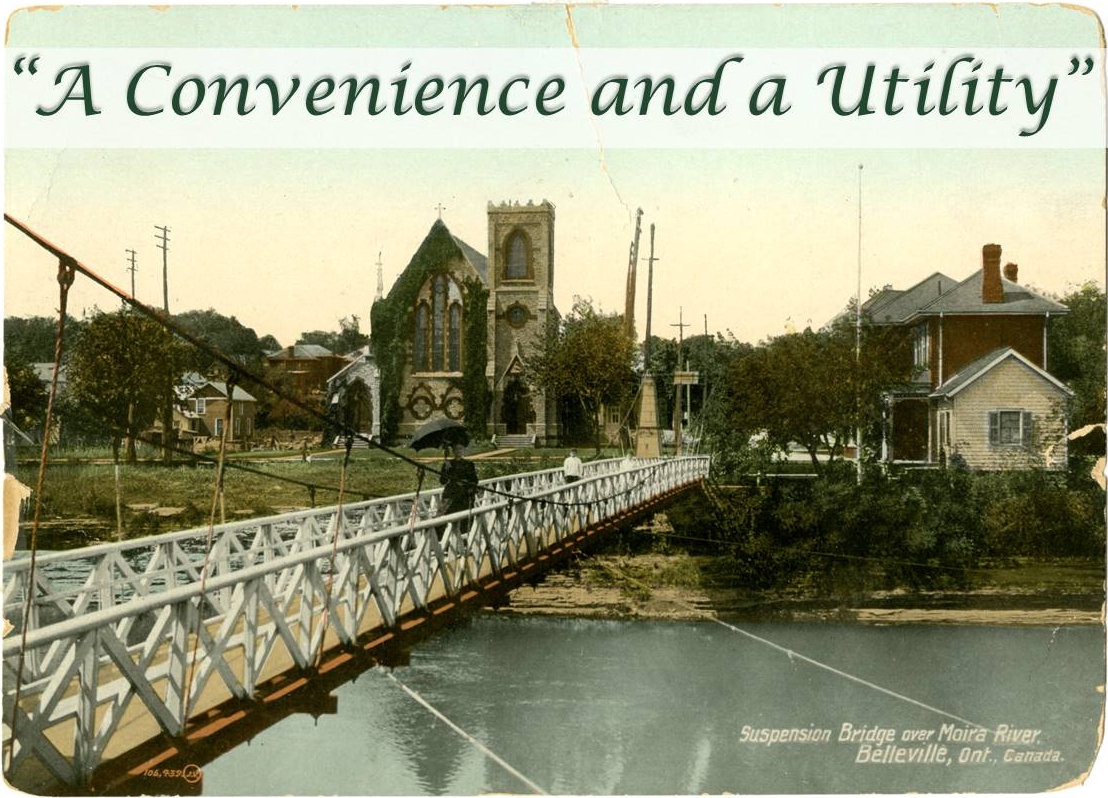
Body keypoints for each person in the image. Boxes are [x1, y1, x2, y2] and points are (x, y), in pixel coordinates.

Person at [439, 444, 478, 542]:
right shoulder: (448, 464)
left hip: (463, 495)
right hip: (450, 495)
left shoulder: (468, 464)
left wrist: (468, 487)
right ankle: (445, 542)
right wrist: (446, 469)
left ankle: (463, 542)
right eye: (456, 449)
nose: (458, 451)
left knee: (463, 519)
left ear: (463, 450)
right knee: (445, 517)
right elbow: (442, 481)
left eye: (460, 449)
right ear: (453, 451)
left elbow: (474, 480)